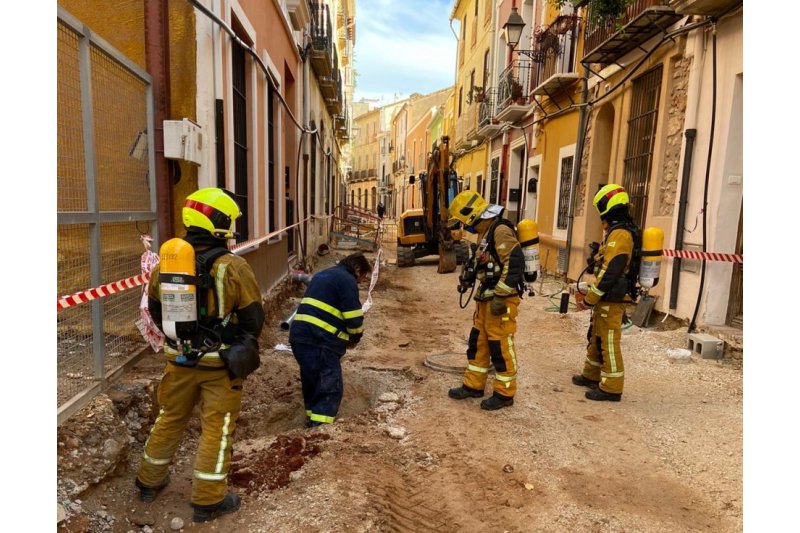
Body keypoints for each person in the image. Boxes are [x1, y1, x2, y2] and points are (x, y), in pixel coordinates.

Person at [135, 187, 265, 522]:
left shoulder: (165, 265)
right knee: (217, 428)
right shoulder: (232, 267)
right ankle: (208, 501)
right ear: (220, 223)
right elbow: (253, 318)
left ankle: (148, 482)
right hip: (219, 365)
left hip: (177, 360)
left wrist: (182, 339)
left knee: (169, 418)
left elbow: (154, 309)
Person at [446, 190, 525, 410]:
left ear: (471, 216)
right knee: (478, 342)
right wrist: (467, 280)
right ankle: (473, 385)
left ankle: (504, 393)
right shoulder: (485, 233)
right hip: (485, 299)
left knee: (499, 346)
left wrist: (502, 295)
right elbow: (480, 262)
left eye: (463, 222)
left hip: (500, 300)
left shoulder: (500, 230)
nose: (464, 227)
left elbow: (515, 263)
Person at [572, 184, 639, 402]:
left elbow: (612, 270)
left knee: (608, 341)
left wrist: (591, 298)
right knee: (597, 336)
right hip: (608, 296)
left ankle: (612, 387)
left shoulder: (620, 234)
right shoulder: (617, 231)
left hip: (613, 296)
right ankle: (591, 375)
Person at [289, 252, 372, 427]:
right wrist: (355, 338)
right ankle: (320, 429)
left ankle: (311, 420)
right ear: (357, 269)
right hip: (320, 340)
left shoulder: (322, 275)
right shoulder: (347, 280)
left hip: (299, 337)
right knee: (330, 387)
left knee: (312, 381)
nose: (360, 281)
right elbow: (354, 317)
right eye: (362, 277)